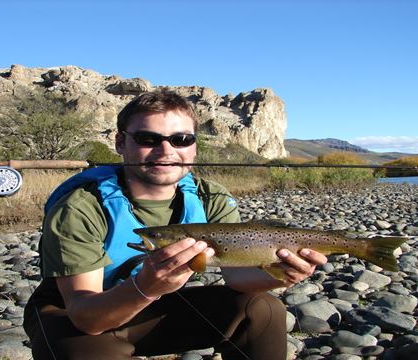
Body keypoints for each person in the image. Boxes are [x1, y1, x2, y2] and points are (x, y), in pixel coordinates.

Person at [23, 90, 328, 360]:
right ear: (120, 143)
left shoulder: (211, 197)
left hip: (152, 306)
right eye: (147, 139)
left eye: (181, 140)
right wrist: (145, 287)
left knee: (264, 309)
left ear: (194, 146)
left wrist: (281, 275)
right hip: (76, 315)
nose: (166, 151)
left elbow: (237, 277)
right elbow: (87, 319)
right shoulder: (80, 206)